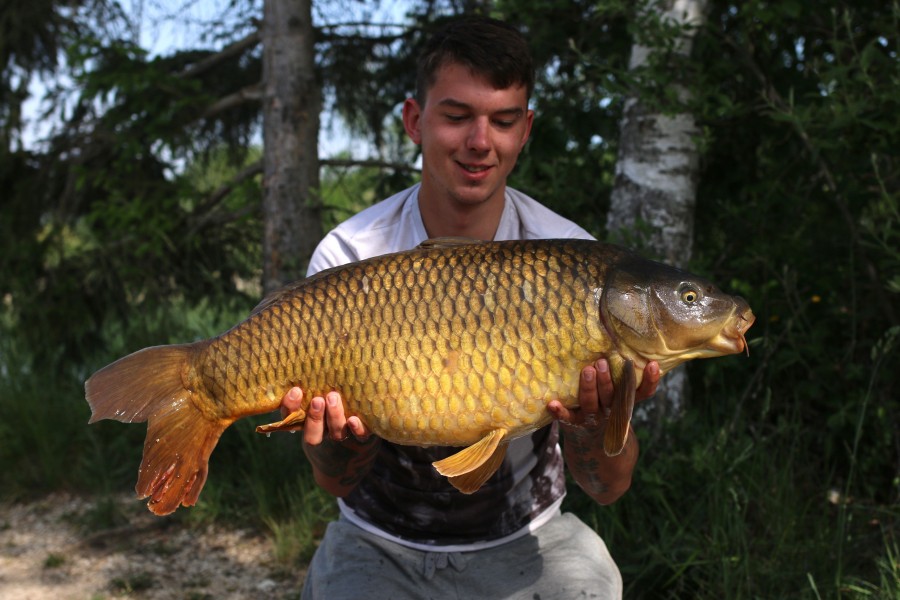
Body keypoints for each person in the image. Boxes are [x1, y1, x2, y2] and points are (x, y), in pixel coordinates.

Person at [282, 16, 660, 599]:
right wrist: (339, 437)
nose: (480, 141)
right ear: (415, 120)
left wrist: (594, 420)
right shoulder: (351, 255)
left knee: (593, 582)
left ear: (526, 128)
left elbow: (608, 488)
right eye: (457, 116)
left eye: (503, 120)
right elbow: (335, 480)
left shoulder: (574, 259)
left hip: (528, 539)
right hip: (377, 538)